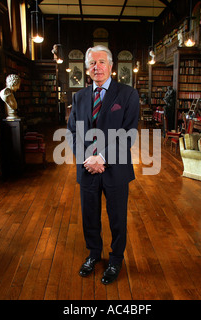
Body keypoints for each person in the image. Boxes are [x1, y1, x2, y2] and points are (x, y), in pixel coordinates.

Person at [67, 45, 139, 285]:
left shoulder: (128, 94)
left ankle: (116, 258)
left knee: (117, 217)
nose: (96, 67)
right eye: (92, 64)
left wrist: (103, 158)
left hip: (115, 168)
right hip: (87, 168)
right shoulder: (79, 97)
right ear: (88, 69)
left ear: (111, 67)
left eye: (101, 62)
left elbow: (129, 133)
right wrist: (88, 159)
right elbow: (72, 133)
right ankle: (94, 254)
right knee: (89, 216)